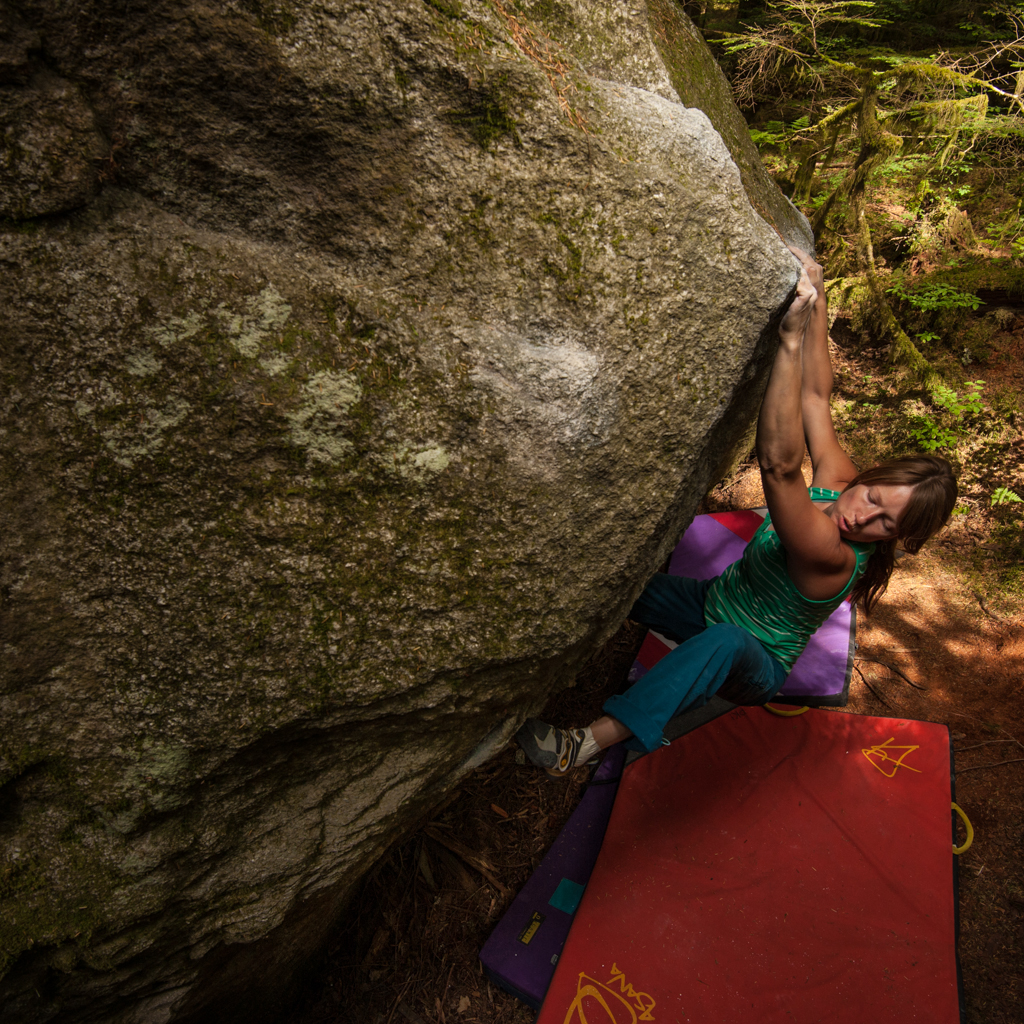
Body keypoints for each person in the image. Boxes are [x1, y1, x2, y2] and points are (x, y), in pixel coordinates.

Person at [518, 247, 958, 775]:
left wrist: (789, 341)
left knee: (726, 642)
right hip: (712, 604)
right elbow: (817, 396)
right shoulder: (841, 481)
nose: (864, 517)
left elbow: (778, 466)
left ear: (897, 538)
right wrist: (815, 292)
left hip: (754, 663)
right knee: (627, 584)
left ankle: (580, 746)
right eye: (873, 498)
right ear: (869, 477)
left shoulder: (832, 556)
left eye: (886, 523)